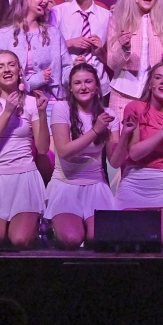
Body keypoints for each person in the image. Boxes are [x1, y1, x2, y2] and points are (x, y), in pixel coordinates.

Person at [0, 52, 51, 249]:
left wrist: (42, 113)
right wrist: (7, 112)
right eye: (0, 66)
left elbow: (43, 148)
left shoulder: (32, 103)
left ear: (19, 70)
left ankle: (34, 227)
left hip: (24, 179)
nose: (7, 70)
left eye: (11, 65)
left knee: (20, 240)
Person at [115, 62, 163, 248]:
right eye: (158, 77)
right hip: (134, 180)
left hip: (161, 182)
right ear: (150, 84)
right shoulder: (135, 108)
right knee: (132, 239)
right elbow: (134, 153)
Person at [46, 64, 118, 249]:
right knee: (72, 238)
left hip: (96, 186)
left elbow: (115, 161)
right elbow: (64, 151)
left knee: (99, 238)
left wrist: (125, 136)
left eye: (88, 82)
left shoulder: (108, 114)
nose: (83, 87)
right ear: (70, 88)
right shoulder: (61, 108)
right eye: (77, 83)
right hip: (66, 185)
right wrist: (96, 130)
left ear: (96, 86)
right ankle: (53, 228)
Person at [104, 0, 163, 119]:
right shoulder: (117, 20)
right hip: (123, 95)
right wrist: (125, 48)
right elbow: (112, 63)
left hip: (154, 96)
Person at [0, 0, 69, 99]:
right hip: (14, 101)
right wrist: (36, 80)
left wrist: (76, 72)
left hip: (51, 100)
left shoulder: (54, 34)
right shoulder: (2, 36)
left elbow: (66, 67)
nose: (46, 0)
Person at [52, 0, 111, 88]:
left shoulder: (106, 16)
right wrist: (69, 43)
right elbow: (46, 50)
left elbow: (113, 61)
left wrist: (100, 51)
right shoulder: (57, 12)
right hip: (69, 84)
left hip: (100, 87)